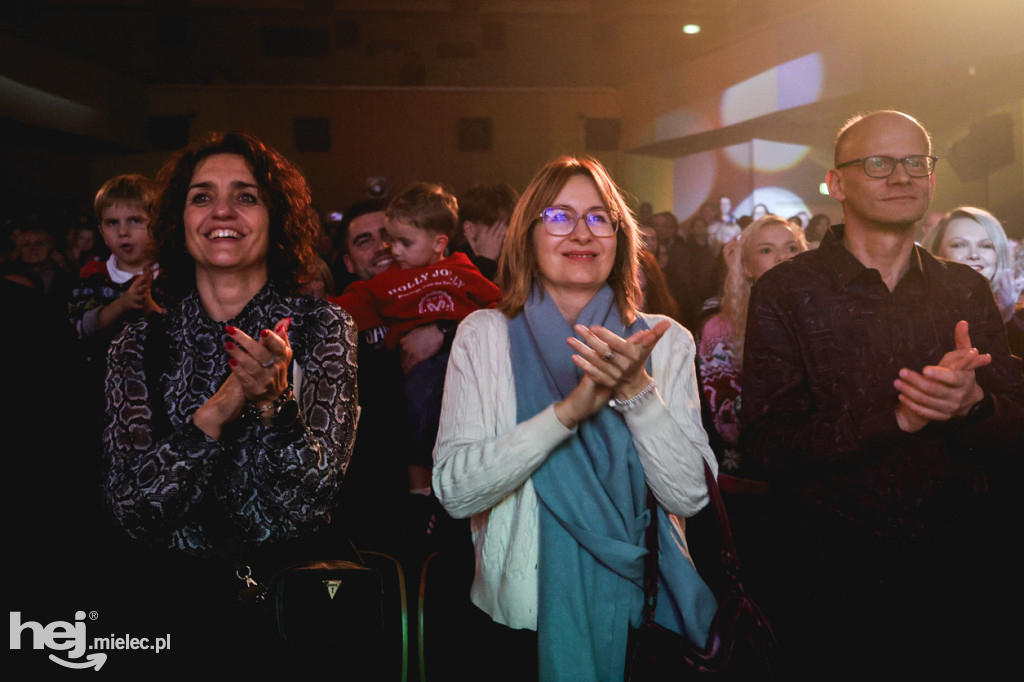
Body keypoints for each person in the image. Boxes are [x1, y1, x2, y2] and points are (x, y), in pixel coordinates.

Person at [740, 111, 1024, 675]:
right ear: (837, 183)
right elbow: (766, 446)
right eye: (878, 163)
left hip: (962, 580)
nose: (902, 176)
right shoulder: (788, 292)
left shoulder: (963, 290)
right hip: (829, 582)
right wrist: (897, 418)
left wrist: (975, 407)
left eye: (916, 162)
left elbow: (1015, 427)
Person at [433, 156, 718, 681]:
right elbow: (455, 492)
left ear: (620, 236)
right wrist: (568, 413)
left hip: (643, 618)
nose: (581, 233)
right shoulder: (485, 335)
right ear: (528, 235)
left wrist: (636, 393)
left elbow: (689, 498)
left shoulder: (665, 340)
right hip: (518, 622)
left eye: (599, 217)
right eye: (559, 216)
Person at [102, 131, 358, 669]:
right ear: (179, 219)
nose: (223, 211)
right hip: (171, 614)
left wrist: (274, 406)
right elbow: (131, 509)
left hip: (298, 613)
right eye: (202, 197)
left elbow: (312, 502)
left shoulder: (323, 328)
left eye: (246, 196)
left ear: (276, 217)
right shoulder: (137, 343)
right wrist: (216, 414)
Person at [698, 215, 807, 487]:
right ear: (746, 267)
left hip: (817, 478)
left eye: (792, 249)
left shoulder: (826, 323)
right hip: (751, 482)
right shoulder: (720, 329)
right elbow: (728, 422)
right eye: (766, 250)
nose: (783, 258)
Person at [921, 206, 1024, 325]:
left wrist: (1005, 317)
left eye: (986, 246)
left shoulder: (1015, 317)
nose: (974, 255)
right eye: (959, 245)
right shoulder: (914, 313)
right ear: (935, 252)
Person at [455, 182, 518, 282]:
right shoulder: (450, 271)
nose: (507, 235)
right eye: (497, 230)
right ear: (470, 229)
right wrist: (485, 262)